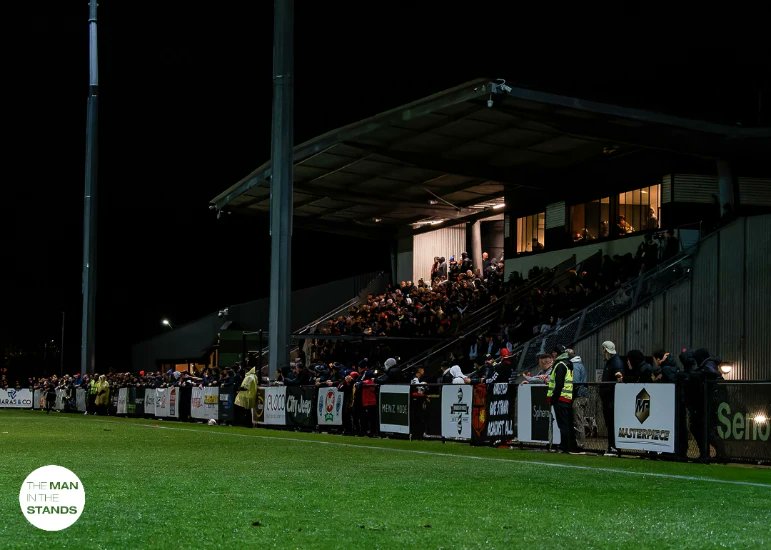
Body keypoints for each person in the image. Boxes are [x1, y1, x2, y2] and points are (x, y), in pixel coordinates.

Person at [546, 348, 578, 453]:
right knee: (567, 423)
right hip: (567, 398)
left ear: (556, 353)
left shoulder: (560, 365)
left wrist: (553, 399)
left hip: (560, 398)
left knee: (563, 424)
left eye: (553, 353)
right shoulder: (568, 364)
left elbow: (558, 384)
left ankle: (565, 446)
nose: (552, 356)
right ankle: (571, 446)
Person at [600, 341, 624, 456]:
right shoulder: (611, 362)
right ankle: (612, 446)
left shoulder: (615, 362)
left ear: (605, 350)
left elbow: (619, 378)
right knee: (610, 424)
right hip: (609, 398)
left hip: (611, 399)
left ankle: (614, 447)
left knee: (612, 423)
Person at [568, 348, 592, 449]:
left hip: (579, 396)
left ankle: (580, 445)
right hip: (582, 395)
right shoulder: (579, 364)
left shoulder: (575, 366)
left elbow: (576, 382)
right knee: (578, 420)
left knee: (578, 421)